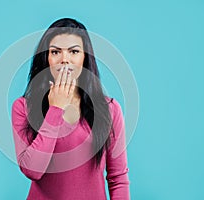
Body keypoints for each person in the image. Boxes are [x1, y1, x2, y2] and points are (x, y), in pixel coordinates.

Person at [11, 18, 130, 200]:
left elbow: (118, 178)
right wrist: (55, 109)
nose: (65, 60)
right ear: (46, 58)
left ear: (84, 58)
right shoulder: (23, 107)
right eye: (55, 52)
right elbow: (32, 170)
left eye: (74, 51)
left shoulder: (109, 109)